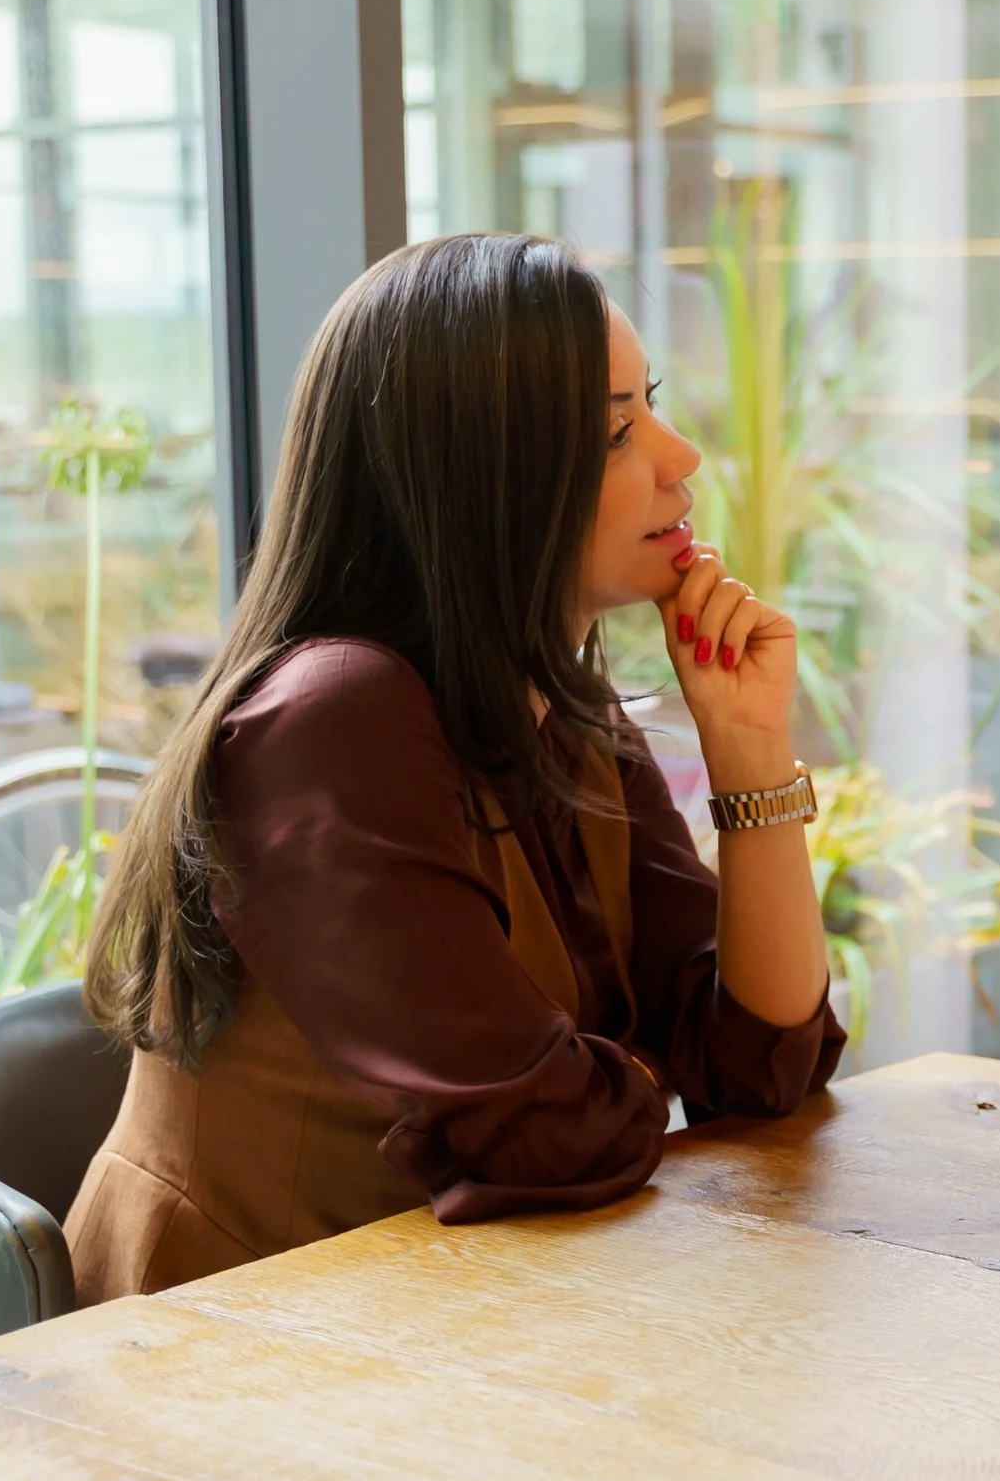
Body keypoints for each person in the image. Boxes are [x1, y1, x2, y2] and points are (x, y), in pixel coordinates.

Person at [69, 233, 842, 1300]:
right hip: (232, 1354)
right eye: (617, 430)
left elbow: (765, 1067)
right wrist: (636, 1077)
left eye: (648, 404)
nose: (680, 456)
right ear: (483, 477)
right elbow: (548, 1132)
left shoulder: (554, 707)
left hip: (449, 1327)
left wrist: (749, 750)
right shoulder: (332, 722)